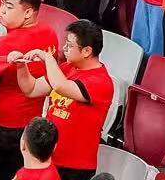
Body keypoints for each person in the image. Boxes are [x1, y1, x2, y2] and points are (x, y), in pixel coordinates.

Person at [11, 19, 114, 180]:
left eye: (69, 45)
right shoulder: (67, 68)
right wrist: (21, 66)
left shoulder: (101, 82)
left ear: (87, 51)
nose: (64, 48)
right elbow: (31, 89)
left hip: (75, 167)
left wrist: (48, 59)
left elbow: (60, 86)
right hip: (49, 158)